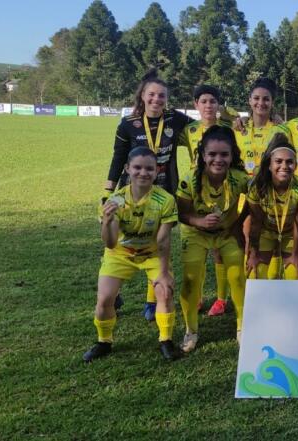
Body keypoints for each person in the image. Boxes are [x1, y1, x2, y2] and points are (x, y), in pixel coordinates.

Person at [103, 69, 191, 321]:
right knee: (121, 240)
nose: (156, 100)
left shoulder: (175, 119)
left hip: (164, 192)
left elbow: (202, 128)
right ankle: (114, 288)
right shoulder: (127, 124)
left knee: (157, 245)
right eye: (152, 94)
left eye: (161, 96)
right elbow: (118, 158)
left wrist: (232, 119)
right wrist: (108, 192)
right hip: (131, 192)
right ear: (142, 96)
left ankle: (152, 301)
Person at [83, 147, 179, 362]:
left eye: (149, 169)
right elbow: (109, 243)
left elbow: (163, 241)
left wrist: (163, 273)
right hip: (120, 254)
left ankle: (166, 340)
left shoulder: (166, 200)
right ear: (127, 169)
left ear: (157, 171)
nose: (143, 173)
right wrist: (107, 222)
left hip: (151, 253)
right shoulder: (114, 201)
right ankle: (103, 342)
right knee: (105, 299)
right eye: (137, 167)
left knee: (164, 291)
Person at [175, 126, 249, 352]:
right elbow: (181, 213)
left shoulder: (240, 179)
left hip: (226, 233)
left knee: (237, 276)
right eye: (212, 154)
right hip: (196, 233)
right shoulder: (189, 179)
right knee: (191, 280)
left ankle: (242, 328)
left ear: (232, 155)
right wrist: (199, 222)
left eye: (224, 154)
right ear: (202, 155)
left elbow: (250, 206)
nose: (218, 159)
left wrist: (235, 226)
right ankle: (191, 330)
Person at [178, 85, 232, 317]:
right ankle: (197, 298)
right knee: (196, 248)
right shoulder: (187, 130)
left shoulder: (228, 128)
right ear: (196, 105)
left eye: (213, 101)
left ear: (219, 105)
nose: (209, 105)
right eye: (204, 101)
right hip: (195, 191)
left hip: (221, 190)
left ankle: (221, 299)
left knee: (219, 249)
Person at [246, 134, 298, 280]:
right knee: (255, 273)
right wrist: (254, 253)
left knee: (294, 274)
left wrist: (296, 254)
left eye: (289, 162)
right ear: (269, 165)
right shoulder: (258, 187)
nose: (284, 166)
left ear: (296, 165)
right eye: (278, 161)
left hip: (290, 233)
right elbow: (255, 223)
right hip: (266, 232)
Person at [234, 77, 290, 179]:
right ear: (250, 100)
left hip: (270, 189)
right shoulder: (238, 128)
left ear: (272, 102)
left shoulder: (281, 130)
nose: (261, 103)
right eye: (256, 98)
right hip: (242, 191)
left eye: (266, 99)